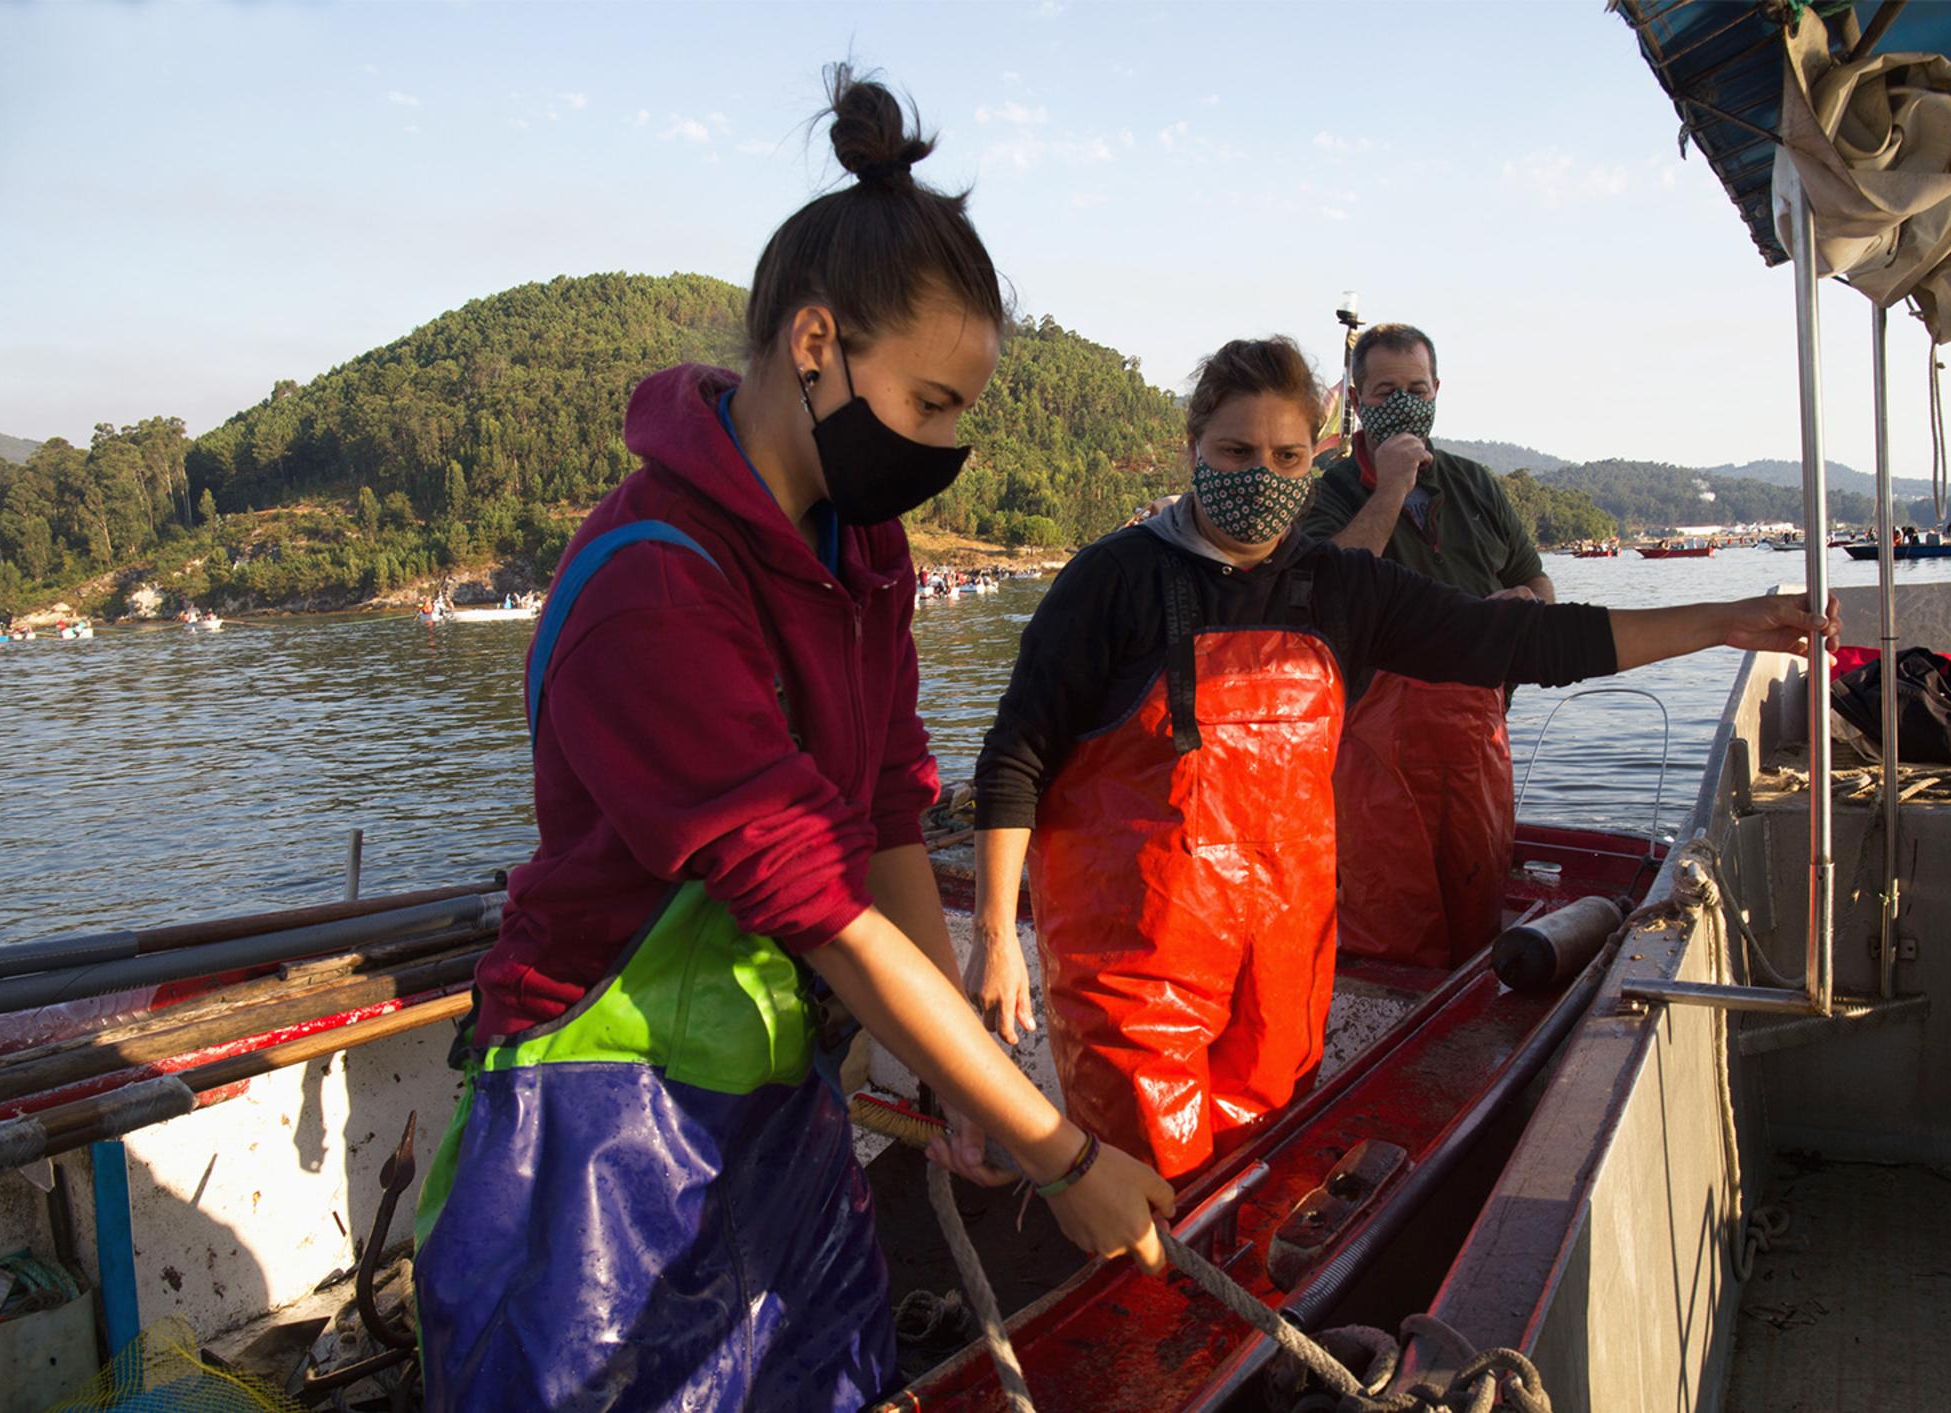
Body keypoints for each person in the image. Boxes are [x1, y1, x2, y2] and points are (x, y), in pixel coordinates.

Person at [410, 68, 1172, 1413]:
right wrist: (1056, 1150)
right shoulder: (653, 582)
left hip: (777, 1085)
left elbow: (882, 816)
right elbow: (816, 902)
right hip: (602, 1114)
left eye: (961, 412)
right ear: (815, 342)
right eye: (929, 404)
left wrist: (961, 1079)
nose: (945, 445)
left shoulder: (863, 555)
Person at [964, 335, 1837, 1179]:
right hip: (1136, 968)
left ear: (1314, 459)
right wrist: (997, 938)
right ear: (1193, 446)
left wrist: (1724, 622)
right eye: (1235, 451)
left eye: (1286, 457)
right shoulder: (1111, 579)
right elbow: (1015, 760)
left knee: (1260, 1175)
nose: (1260, 475)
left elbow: (1525, 639)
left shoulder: (1339, 585)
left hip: (1284, 960)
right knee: (1140, 1191)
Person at [1299, 322, 1553, 968]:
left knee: (1477, 924)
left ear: (1437, 390)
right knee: (1391, 932)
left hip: (1477, 747)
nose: (1405, 403)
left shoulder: (1477, 485)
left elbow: (1538, 583)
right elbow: (1329, 590)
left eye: (1417, 389)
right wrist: (1392, 486)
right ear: (1358, 400)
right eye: (1387, 391)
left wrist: (1524, 606)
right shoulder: (1327, 493)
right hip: (1372, 755)